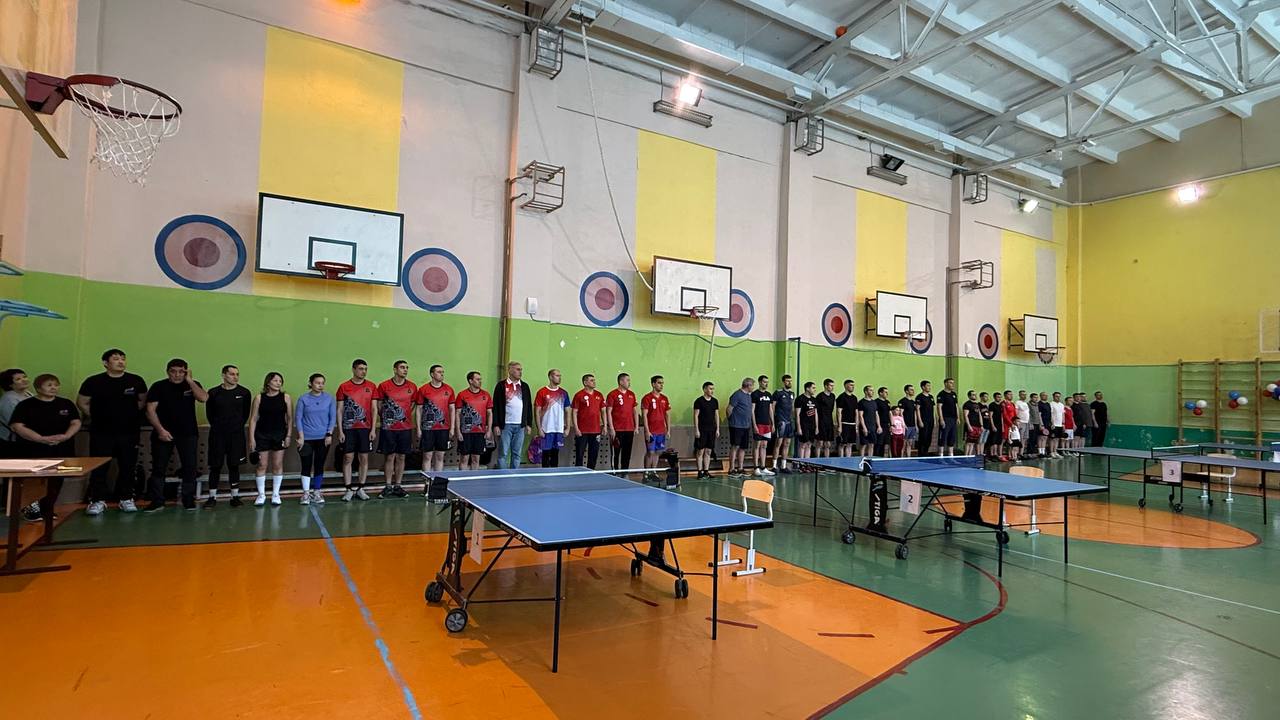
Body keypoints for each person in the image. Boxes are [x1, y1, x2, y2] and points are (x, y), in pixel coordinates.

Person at [77, 349, 148, 515]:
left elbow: (142, 401)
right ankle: (97, 500)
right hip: (101, 432)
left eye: (123, 358)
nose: (121, 362)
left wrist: (127, 416)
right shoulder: (93, 381)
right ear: (105, 363)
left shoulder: (135, 380)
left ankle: (126, 499)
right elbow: (82, 402)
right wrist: (98, 416)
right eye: (116, 359)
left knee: (128, 466)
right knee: (99, 466)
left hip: (129, 432)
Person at [11, 374, 81, 523]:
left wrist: (66, 436)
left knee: (57, 479)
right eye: (49, 385)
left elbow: (75, 422)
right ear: (38, 388)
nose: (53, 388)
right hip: (33, 448)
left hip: (61, 448)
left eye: (56, 385)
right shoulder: (26, 405)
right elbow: (17, 426)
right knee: (34, 479)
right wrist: (40, 439)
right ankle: (31, 508)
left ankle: (48, 508)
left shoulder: (66, 403)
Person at [144, 358, 208, 511]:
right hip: (163, 433)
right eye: (173, 371)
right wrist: (160, 430)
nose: (177, 375)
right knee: (159, 467)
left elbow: (203, 398)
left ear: (186, 372)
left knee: (189, 467)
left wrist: (190, 380)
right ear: (168, 372)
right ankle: (157, 501)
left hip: (188, 433)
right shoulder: (158, 386)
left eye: (181, 372)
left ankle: (188, 499)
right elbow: (150, 410)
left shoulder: (192, 385)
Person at [204, 365, 251, 508]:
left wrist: (235, 427)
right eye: (232, 374)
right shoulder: (213, 393)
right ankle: (212, 497)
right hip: (217, 435)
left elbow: (245, 415)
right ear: (224, 375)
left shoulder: (244, 393)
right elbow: (210, 414)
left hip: (236, 435)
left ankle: (234, 497)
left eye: (237, 374)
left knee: (234, 465)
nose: (235, 377)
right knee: (215, 466)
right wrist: (219, 427)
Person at [336, 359, 378, 502]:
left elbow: (374, 409)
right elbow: (340, 410)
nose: (363, 371)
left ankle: (361, 488)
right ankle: (348, 489)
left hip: (365, 429)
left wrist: (373, 429)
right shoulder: (344, 387)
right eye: (361, 369)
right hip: (348, 429)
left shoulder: (371, 386)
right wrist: (340, 431)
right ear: (354, 369)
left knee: (363, 458)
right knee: (348, 458)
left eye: (365, 369)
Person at [248, 372, 291, 506]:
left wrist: (288, 435)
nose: (278, 383)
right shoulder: (259, 398)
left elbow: (290, 419)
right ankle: (261, 495)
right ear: (268, 382)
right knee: (262, 465)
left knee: (277, 464)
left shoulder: (286, 397)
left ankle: (276, 494)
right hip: (262, 435)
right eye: (275, 380)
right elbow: (253, 419)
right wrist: (251, 438)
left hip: (279, 434)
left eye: (280, 381)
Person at [376, 360, 417, 498]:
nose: (405, 370)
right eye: (402, 367)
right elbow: (379, 405)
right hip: (388, 428)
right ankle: (388, 486)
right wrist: (388, 418)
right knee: (389, 457)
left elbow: (412, 405)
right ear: (395, 369)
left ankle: (398, 485)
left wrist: (402, 416)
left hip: (405, 428)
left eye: (407, 367)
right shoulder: (384, 386)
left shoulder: (412, 386)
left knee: (401, 457)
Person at [295, 374, 335, 505]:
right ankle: (306, 493)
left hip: (323, 438)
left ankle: (317, 491)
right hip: (306, 438)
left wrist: (329, 434)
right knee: (306, 465)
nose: (320, 385)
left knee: (319, 464)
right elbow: (298, 418)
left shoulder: (329, 398)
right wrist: (301, 437)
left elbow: (332, 418)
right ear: (311, 383)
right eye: (317, 383)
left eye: (322, 383)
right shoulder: (303, 399)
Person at [414, 364, 454, 476]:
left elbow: (452, 409)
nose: (442, 374)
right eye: (439, 372)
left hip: (443, 428)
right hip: (428, 429)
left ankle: (437, 481)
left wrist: (452, 428)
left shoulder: (449, 389)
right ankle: (427, 481)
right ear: (432, 374)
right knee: (427, 456)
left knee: (440, 456)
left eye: (443, 372)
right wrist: (418, 428)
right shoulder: (423, 390)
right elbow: (419, 409)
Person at [492, 361, 533, 469]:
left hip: (520, 426)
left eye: (521, 369)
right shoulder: (501, 385)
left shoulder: (524, 386)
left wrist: (528, 424)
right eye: (518, 369)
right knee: (503, 453)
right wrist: (495, 424)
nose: (520, 372)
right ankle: (502, 475)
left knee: (517, 453)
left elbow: (528, 406)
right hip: (505, 425)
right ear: (510, 370)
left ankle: (514, 475)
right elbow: (495, 406)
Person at [454, 371, 492, 470]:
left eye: (480, 379)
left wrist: (489, 430)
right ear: (470, 381)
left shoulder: (486, 395)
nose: (480, 381)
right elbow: (457, 414)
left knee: (476, 458)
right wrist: (458, 431)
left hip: (480, 432)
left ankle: (473, 479)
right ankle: (462, 478)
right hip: (465, 432)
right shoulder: (462, 395)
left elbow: (489, 413)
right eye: (477, 379)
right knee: (464, 458)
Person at [534, 369, 571, 468]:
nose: (559, 377)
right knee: (546, 454)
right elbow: (537, 411)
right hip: (546, 429)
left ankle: (555, 473)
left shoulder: (563, 393)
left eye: (560, 375)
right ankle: (545, 474)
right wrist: (539, 428)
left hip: (558, 429)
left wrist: (567, 428)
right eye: (557, 375)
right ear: (550, 377)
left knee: (555, 454)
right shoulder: (542, 392)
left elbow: (568, 411)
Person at [571, 374, 605, 468]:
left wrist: (605, 426)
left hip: (596, 430)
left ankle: (591, 472)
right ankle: (579, 472)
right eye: (591, 380)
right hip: (582, 430)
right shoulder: (578, 395)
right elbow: (574, 412)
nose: (594, 382)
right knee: (579, 454)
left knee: (593, 454)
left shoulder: (599, 395)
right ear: (585, 382)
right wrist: (576, 428)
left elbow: (603, 411)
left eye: (594, 380)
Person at [606, 373, 638, 471]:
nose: (629, 382)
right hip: (617, 429)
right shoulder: (612, 394)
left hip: (629, 429)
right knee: (616, 453)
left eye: (629, 380)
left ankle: (625, 472)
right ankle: (615, 472)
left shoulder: (631, 394)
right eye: (627, 380)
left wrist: (636, 426)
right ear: (621, 382)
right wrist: (611, 428)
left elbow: (635, 411)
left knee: (627, 453)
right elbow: (608, 411)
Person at [641, 375, 670, 474]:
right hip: (651, 431)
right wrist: (647, 431)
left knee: (658, 452)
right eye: (659, 383)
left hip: (661, 431)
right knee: (650, 452)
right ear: (653, 384)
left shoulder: (665, 398)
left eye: (662, 383)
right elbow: (644, 415)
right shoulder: (647, 398)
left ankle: (653, 472)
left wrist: (668, 430)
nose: (661, 385)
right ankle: (646, 473)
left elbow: (667, 415)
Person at [0, 368, 32, 459]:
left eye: (24, 377)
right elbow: (15, 423)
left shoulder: (28, 394)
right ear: (10, 384)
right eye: (18, 379)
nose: (24, 380)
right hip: (13, 441)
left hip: (28, 437)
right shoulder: (9, 399)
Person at [726, 378, 754, 477]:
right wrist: (732, 420)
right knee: (735, 446)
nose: (753, 387)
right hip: (736, 426)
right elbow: (729, 409)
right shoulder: (737, 395)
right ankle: (731, 469)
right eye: (752, 385)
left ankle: (740, 468)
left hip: (746, 426)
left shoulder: (748, 396)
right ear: (748, 385)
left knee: (743, 447)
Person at [692, 382, 719, 479]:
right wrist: (696, 430)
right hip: (702, 429)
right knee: (700, 451)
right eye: (710, 388)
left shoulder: (715, 401)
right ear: (704, 389)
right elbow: (696, 416)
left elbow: (716, 415)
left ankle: (706, 471)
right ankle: (700, 472)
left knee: (708, 451)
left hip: (711, 430)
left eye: (713, 389)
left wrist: (717, 429)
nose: (712, 391)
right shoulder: (699, 401)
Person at [750, 375, 774, 476]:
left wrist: (773, 423)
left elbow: (770, 409)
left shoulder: (769, 395)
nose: (766, 384)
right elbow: (752, 410)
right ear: (760, 382)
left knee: (764, 445)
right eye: (764, 382)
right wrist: (754, 424)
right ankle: (756, 468)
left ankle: (763, 467)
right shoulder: (755, 394)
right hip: (758, 423)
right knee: (757, 445)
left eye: (767, 382)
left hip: (767, 424)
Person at [772, 375, 795, 474]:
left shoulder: (792, 394)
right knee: (778, 443)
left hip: (789, 422)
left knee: (787, 444)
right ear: (783, 382)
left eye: (790, 381)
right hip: (781, 421)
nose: (789, 383)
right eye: (787, 381)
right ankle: (774, 466)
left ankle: (783, 466)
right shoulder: (778, 393)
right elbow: (773, 407)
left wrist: (793, 419)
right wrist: (772, 421)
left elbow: (792, 407)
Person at [795, 382, 819, 460]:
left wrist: (816, 427)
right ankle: (801, 463)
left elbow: (816, 414)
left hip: (812, 425)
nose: (815, 390)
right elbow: (797, 415)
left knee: (809, 445)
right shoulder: (800, 399)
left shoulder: (814, 399)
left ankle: (807, 463)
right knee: (803, 445)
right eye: (813, 388)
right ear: (807, 388)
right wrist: (799, 428)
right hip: (803, 425)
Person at [836, 380, 859, 458]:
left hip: (852, 424)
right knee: (842, 444)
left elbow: (856, 412)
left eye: (853, 385)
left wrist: (856, 426)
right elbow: (839, 412)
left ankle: (848, 461)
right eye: (851, 385)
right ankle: (841, 461)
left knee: (850, 444)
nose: (853, 387)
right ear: (846, 386)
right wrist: (839, 426)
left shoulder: (854, 398)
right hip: (844, 424)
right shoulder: (841, 397)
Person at [815, 379, 837, 459]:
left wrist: (834, 422)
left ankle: (826, 461)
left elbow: (832, 409)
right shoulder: (820, 396)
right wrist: (817, 425)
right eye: (831, 386)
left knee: (828, 444)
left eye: (833, 386)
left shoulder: (833, 396)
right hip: (821, 421)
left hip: (829, 422)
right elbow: (816, 411)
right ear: (825, 386)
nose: (832, 387)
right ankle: (816, 461)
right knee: (820, 443)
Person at [937, 378, 958, 456]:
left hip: (953, 419)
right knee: (943, 437)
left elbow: (956, 406)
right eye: (950, 383)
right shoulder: (941, 394)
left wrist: (958, 417)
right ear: (946, 384)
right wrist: (941, 419)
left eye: (953, 383)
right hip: (945, 418)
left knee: (952, 437)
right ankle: (941, 455)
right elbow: (939, 407)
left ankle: (951, 455)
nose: (952, 384)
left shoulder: (954, 394)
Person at [857, 385, 879, 457]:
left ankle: (870, 459)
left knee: (871, 444)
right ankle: (861, 460)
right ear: (866, 392)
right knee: (863, 445)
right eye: (870, 390)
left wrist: (879, 426)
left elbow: (876, 414)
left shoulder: (874, 402)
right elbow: (860, 416)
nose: (872, 392)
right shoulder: (861, 402)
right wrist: (864, 427)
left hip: (873, 427)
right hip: (865, 426)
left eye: (873, 390)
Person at [897, 384, 919, 457]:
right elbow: (901, 413)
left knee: (910, 443)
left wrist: (916, 425)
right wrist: (904, 424)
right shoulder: (902, 401)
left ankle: (909, 458)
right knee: (903, 443)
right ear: (906, 391)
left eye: (913, 390)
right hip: (906, 426)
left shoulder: (913, 402)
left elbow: (915, 414)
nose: (913, 391)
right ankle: (901, 458)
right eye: (911, 390)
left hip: (912, 425)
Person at [916, 380, 935, 456]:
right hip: (923, 420)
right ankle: (921, 454)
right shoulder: (919, 397)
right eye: (928, 386)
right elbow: (917, 409)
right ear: (923, 387)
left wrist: (934, 419)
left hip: (931, 420)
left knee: (929, 437)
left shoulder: (931, 397)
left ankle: (926, 452)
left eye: (930, 386)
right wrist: (920, 421)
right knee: (923, 436)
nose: (929, 387)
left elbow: (933, 409)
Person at [962, 390, 983, 456]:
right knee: (968, 442)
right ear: (969, 396)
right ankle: (965, 457)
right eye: (973, 395)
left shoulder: (977, 404)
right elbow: (965, 416)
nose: (975, 396)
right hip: (971, 425)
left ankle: (970, 457)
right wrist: (969, 426)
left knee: (973, 443)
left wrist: (981, 425)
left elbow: (979, 415)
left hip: (977, 426)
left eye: (975, 394)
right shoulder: (967, 404)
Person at [875, 387, 892, 457]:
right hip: (880, 424)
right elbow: (876, 414)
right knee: (879, 443)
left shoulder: (887, 402)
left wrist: (891, 425)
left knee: (886, 443)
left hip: (887, 425)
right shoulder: (876, 402)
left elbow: (889, 413)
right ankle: (876, 457)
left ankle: (882, 458)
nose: (887, 394)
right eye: (885, 392)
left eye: (887, 392)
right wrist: (879, 426)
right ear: (880, 393)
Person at [1048, 391, 1066, 458]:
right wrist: (1052, 423)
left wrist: (1063, 423)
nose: (1058, 398)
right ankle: (1051, 452)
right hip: (1054, 424)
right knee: (1052, 438)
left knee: (1057, 438)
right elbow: (1051, 414)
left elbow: (1063, 414)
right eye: (1056, 396)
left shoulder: (1061, 405)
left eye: (1059, 396)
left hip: (1060, 424)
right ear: (1053, 397)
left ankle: (1055, 451)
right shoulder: (1051, 404)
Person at [1026, 392, 1043, 458]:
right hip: (1032, 424)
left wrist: (1041, 424)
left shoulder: (1037, 405)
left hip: (1037, 424)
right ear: (1031, 398)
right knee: (1031, 439)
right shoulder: (1028, 404)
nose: (1036, 399)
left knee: (1035, 439)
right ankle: (1029, 453)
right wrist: (1030, 423)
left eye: (1037, 397)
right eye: (1034, 397)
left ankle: (1033, 452)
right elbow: (1028, 415)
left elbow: (1039, 415)